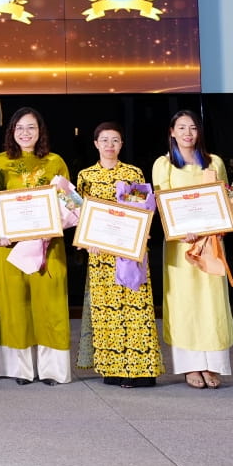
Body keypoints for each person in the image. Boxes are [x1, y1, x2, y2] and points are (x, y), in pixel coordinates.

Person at [152, 110, 233, 389]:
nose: (188, 133)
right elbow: (162, 204)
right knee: (185, 303)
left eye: (193, 128)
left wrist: (216, 226)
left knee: (212, 303)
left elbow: (223, 200)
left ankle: (212, 365)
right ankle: (190, 367)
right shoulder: (164, 164)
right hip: (181, 245)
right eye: (182, 127)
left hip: (211, 242)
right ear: (172, 132)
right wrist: (181, 230)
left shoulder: (214, 162)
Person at [76, 121, 162, 387]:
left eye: (115, 140)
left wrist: (142, 232)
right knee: (107, 314)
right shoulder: (86, 176)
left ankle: (142, 371)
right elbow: (81, 213)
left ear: (122, 144)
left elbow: (141, 210)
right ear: (95, 144)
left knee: (136, 310)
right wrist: (87, 240)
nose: (109, 145)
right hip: (101, 255)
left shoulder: (133, 173)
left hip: (129, 252)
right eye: (104, 140)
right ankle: (112, 369)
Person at [0, 107, 71, 386]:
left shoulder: (55, 161)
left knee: (50, 304)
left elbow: (69, 202)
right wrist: (0, 232)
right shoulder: (0, 161)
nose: (25, 133)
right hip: (10, 245)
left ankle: (52, 370)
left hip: (48, 245)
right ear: (12, 131)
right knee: (15, 304)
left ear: (40, 131)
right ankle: (20, 369)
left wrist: (55, 224)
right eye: (19, 127)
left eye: (31, 127)